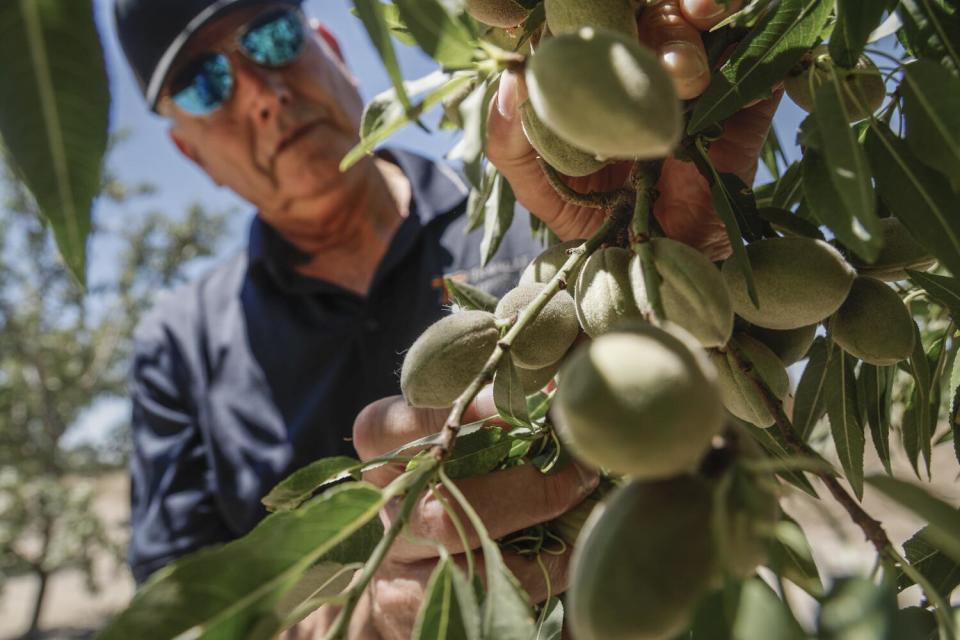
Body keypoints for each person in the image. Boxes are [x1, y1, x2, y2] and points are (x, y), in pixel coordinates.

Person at [112, 0, 776, 636]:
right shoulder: (180, 344)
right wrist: (362, 623)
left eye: (271, 39)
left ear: (335, 51)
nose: (260, 92)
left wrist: (674, 250)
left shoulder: (541, 210)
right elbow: (180, 618)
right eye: (203, 86)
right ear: (192, 154)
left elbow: (732, 428)